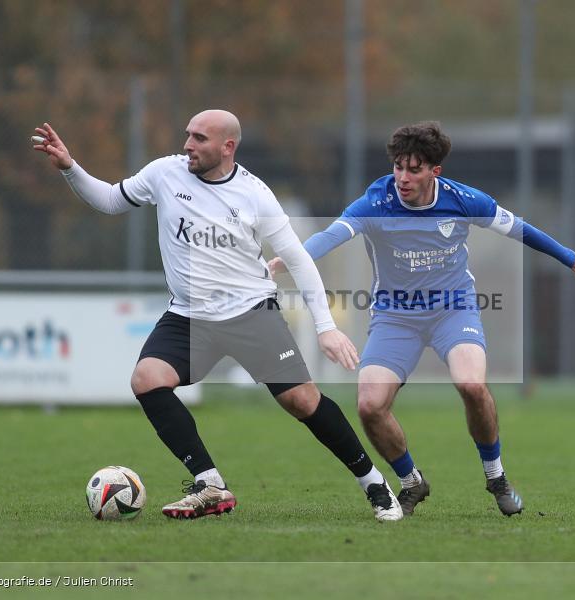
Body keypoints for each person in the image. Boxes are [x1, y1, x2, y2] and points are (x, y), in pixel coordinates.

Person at [32, 110, 403, 522]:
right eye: (188, 135)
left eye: (200, 138)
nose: (188, 145)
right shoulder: (164, 173)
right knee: (147, 380)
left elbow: (298, 260)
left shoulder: (254, 194)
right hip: (189, 317)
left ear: (228, 147)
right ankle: (210, 484)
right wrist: (70, 167)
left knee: (301, 400)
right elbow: (109, 200)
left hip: (251, 313)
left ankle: (373, 482)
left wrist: (326, 328)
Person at [269, 121, 575, 517]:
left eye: (414, 169)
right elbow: (333, 234)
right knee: (369, 405)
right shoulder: (377, 200)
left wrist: (572, 259)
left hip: (454, 309)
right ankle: (411, 480)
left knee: (471, 385)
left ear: (435, 171)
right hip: (395, 316)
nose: (403, 177)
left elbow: (520, 229)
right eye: (398, 167)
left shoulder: (464, 200)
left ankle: (496, 476)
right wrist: (291, 259)